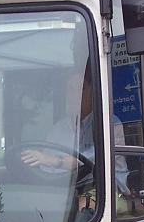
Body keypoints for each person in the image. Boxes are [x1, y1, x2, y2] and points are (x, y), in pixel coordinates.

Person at [20, 64, 129, 193]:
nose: (74, 95)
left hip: (109, 193)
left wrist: (52, 161)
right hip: (66, 191)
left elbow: (85, 161)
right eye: (70, 90)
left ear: (92, 93)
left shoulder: (109, 124)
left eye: (80, 89)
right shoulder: (58, 128)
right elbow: (46, 165)